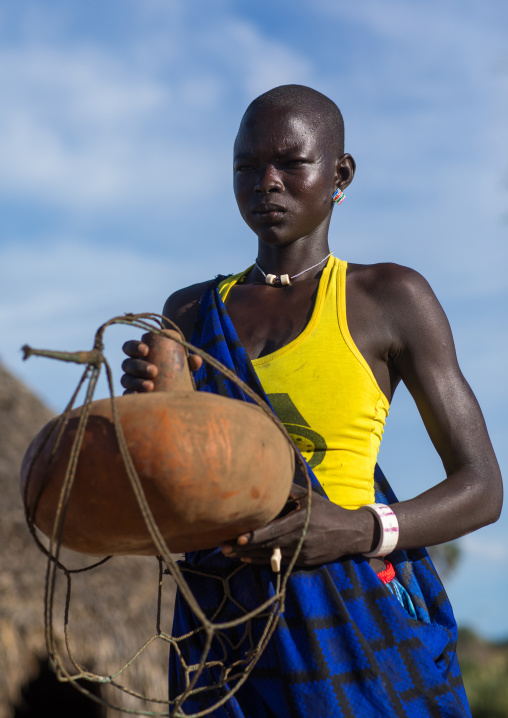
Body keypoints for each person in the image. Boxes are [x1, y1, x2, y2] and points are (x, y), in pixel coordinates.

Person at [121, 85, 502, 717]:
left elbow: (484, 487)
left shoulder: (387, 298)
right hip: (223, 624)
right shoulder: (189, 312)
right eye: (247, 167)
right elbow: (177, 496)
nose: (266, 181)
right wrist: (153, 416)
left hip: (354, 615)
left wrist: (356, 528)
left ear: (339, 173)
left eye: (290, 163)